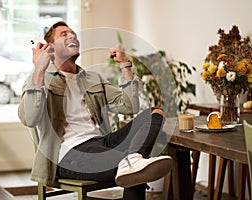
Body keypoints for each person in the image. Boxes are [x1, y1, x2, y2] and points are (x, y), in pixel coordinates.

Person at [18, 21, 172, 199]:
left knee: (154, 114)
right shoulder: (40, 78)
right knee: (134, 169)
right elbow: (29, 118)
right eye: (64, 34)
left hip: (101, 142)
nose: (72, 36)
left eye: (73, 33)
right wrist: (39, 68)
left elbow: (130, 106)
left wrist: (125, 66)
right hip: (70, 154)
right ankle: (132, 161)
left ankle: (133, 161)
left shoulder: (92, 78)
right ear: (50, 49)